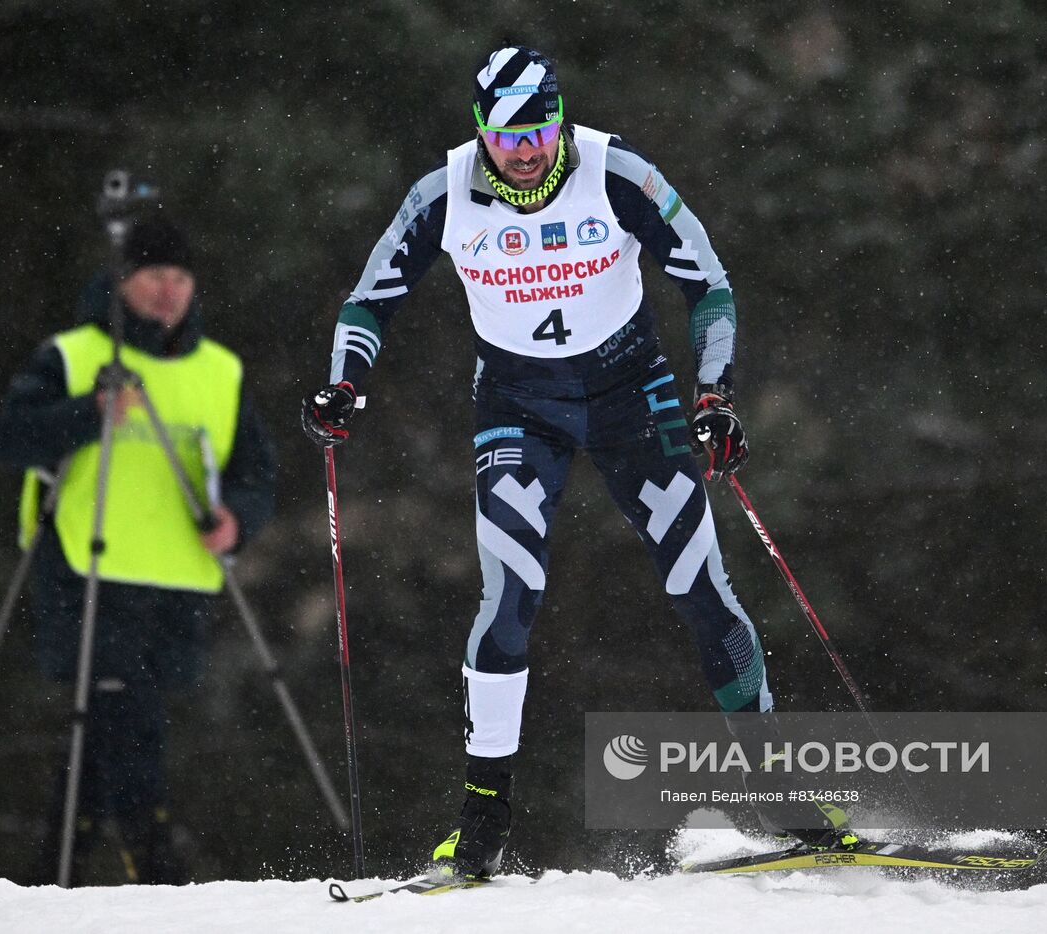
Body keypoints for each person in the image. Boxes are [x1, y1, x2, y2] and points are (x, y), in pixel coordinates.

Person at [301, 46, 844, 879]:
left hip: (634, 396)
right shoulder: (442, 192)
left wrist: (715, 396)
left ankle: (778, 789)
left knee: (700, 585)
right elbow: (370, 297)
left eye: (539, 132)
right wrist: (343, 386)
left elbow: (710, 284)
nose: (524, 152)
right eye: (505, 138)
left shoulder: (615, 169)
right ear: (480, 132)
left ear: (560, 121)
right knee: (509, 595)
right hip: (519, 407)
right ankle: (482, 819)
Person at [0, 216, 276, 884]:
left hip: (180, 576)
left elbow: (256, 470)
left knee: (107, 719)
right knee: (130, 712)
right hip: (86, 566)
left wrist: (238, 520)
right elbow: (12, 437)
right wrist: (88, 413)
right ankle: (154, 862)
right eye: (154, 275)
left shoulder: (220, 370)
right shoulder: (73, 355)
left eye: (180, 277)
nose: (168, 291)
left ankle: (56, 862)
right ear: (123, 281)